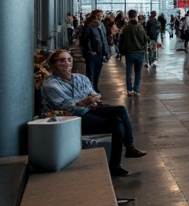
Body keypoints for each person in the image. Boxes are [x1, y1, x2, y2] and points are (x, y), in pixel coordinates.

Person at [41, 49, 148, 177]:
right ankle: (118, 162)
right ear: (53, 64)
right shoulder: (50, 85)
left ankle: (128, 148)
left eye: (69, 60)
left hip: (90, 109)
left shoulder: (80, 78)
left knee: (120, 110)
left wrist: (93, 100)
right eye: (62, 60)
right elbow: (65, 106)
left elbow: (93, 93)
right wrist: (85, 101)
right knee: (117, 125)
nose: (67, 63)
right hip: (72, 117)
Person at [120, 10, 149, 95]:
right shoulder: (140, 27)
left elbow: (122, 40)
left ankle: (129, 90)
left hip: (129, 52)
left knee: (128, 72)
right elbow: (145, 39)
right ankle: (136, 89)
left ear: (128, 16)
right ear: (136, 16)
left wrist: (122, 51)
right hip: (139, 52)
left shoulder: (126, 28)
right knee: (138, 72)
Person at [81, 10, 109, 89]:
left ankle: (95, 88)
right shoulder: (89, 25)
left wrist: (106, 51)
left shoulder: (102, 25)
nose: (101, 17)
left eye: (101, 16)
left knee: (97, 73)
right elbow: (85, 39)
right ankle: (90, 90)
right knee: (90, 73)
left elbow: (104, 39)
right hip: (91, 53)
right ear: (95, 16)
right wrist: (89, 50)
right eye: (99, 15)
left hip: (100, 53)